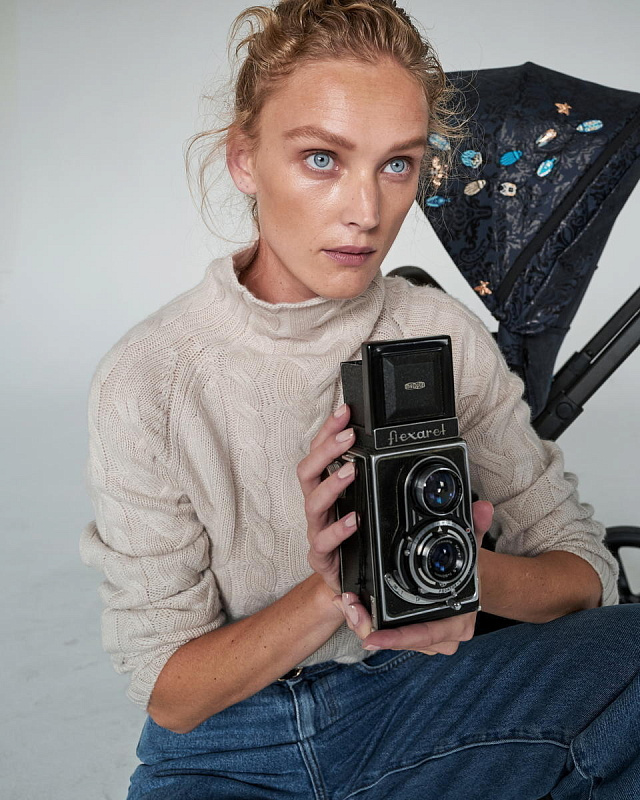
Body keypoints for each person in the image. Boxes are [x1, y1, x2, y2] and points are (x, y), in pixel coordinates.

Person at [80, 1, 640, 798]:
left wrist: (463, 578)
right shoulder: (147, 380)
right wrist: (339, 583)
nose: (367, 212)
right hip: (230, 744)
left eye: (398, 164)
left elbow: (583, 570)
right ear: (245, 159)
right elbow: (171, 694)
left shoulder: (441, 335)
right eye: (322, 159)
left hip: (422, 702)